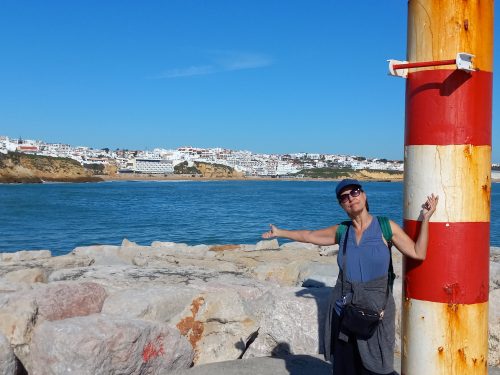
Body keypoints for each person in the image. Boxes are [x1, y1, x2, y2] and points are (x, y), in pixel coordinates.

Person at [261, 178, 438, 375]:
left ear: (364, 195)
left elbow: (418, 252)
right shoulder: (342, 231)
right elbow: (309, 235)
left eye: (354, 192)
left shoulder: (385, 226)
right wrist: (280, 232)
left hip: (376, 312)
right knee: (346, 368)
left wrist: (425, 219)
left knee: (378, 367)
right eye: (344, 197)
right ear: (341, 205)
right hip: (345, 312)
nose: (351, 198)